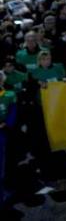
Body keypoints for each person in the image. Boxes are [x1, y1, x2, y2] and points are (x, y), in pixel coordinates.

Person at [0, 71, 18, 210]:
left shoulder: (10, 94)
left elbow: (13, 112)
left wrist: (6, 123)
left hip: (3, 133)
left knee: (2, 163)